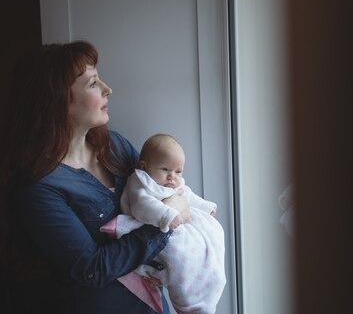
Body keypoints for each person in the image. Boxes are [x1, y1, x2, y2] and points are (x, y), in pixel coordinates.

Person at [0, 40, 191, 314]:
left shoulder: (114, 146)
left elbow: (161, 189)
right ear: (57, 101)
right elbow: (92, 269)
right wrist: (164, 223)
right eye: (92, 84)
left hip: (153, 304)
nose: (107, 89)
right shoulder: (38, 188)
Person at [103, 133, 226, 314]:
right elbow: (142, 206)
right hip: (149, 225)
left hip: (173, 224)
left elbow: (188, 195)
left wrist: (206, 207)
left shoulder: (174, 184)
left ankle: (209, 284)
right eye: (165, 169)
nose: (172, 177)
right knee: (179, 256)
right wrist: (168, 215)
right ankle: (190, 303)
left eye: (178, 171)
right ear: (145, 166)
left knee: (213, 235)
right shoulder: (139, 181)